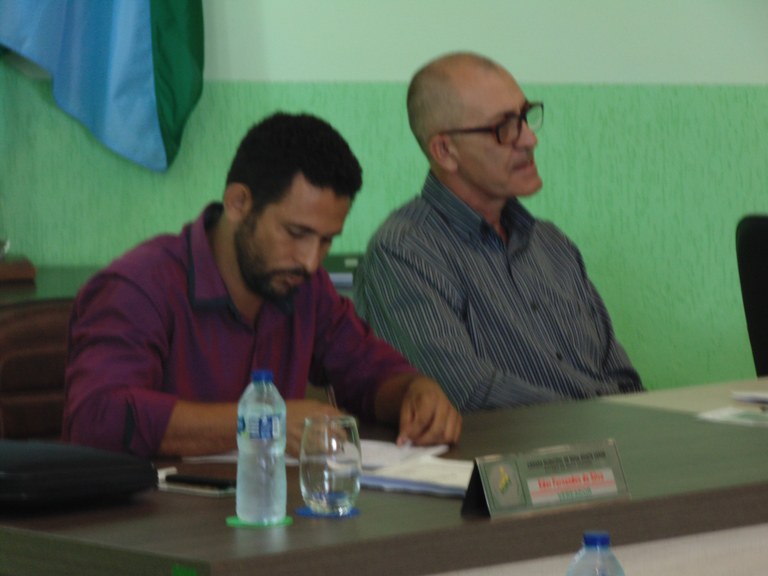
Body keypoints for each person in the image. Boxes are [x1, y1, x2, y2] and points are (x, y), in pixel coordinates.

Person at [63, 112, 462, 458]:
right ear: (238, 203)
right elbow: (97, 417)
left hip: (271, 514)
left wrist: (416, 392)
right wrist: (263, 423)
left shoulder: (304, 286)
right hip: (154, 519)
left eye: (326, 240)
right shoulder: (138, 286)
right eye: (296, 233)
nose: (311, 261)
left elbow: (367, 370)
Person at [354, 52, 643, 411]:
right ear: (445, 151)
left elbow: (622, 377)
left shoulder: (551, 244)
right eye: (503, 128)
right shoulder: (403, 252)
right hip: (520, 444)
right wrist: (594, 419)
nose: (529, 139)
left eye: (525, 116)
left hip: (607, 435)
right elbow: (466, 395)